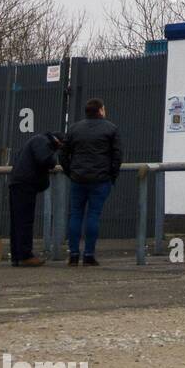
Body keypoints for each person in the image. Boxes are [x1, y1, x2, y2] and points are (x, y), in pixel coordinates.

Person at [59, 98, 122, 266]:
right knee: (93, 215)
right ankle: (88, 254)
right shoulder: (111, 129)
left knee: (75, 215)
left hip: (78, 179)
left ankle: (73, 254)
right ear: (101, 110)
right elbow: (117, 156)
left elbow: (63, 154)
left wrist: (70, 172)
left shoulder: (74, 129)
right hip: (100, 179)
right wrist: (112, 176)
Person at [8, 131, 64, 267]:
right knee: (25, 221)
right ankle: (26, 256)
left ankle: (17, 256)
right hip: (25, 185)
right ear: (57, 142)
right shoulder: (42, 142)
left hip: (18, 183)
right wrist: (54, 159)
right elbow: (45, 160)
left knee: (17, 221)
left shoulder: (36, 140)